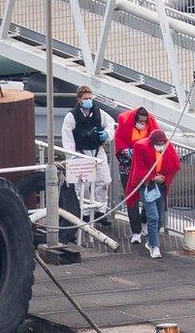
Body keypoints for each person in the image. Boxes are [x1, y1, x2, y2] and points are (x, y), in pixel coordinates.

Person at [61, 86, 115, 226]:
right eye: (86, 99)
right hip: (80, 152)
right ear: (79, 99)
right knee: (82, 185)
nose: (89, 101)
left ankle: (100, 210)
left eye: (90, 98)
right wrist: (72, 158)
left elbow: (110, 124)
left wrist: (107, 134)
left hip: (97, 150)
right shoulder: (71, 116)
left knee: (104, 180)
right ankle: (84, 213)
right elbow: (67, 139)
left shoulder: (98, 113)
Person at [126, 130, 180, 259]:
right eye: (158, 143)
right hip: (146, 185)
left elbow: (175, 164)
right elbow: (139, 168)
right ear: (152, 142)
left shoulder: (167, 147)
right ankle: (154, 246)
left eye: (162, 143)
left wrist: (164, 179)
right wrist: (152, 177)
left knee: (160, 217)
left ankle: (151, 240)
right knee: (153, 216)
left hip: (160, 186)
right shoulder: (141, 147)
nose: (160, 145)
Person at [114, 107, 160, 244]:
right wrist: (139, 153)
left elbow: (156, 145)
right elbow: (121, 149)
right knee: (131, 200)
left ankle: (145, 221)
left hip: (146, 171)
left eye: (144, 122)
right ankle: (136, 231)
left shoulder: (151, 126)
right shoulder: (125, 127)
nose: (143, 124)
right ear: (135, 120)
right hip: (127, 170)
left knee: (149, 197)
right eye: (140, 121)